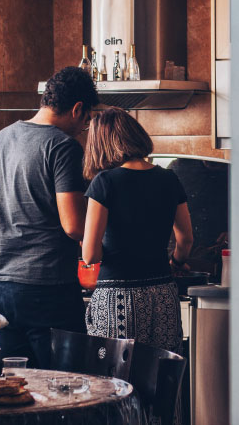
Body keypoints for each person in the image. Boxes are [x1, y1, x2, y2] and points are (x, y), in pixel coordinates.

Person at [0, 66, 99, 368]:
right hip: (45, 287)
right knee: (68, 389)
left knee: (19, 388)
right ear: (77, 109)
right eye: (86, 121)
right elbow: (74, 226)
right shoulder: (63, 147)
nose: (82, 129)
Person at [81, 107, 194, 354]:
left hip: (117, 298)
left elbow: (90, 255)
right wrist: (175, 262)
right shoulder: (169, 178)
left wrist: (90, 245)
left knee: (116, 382)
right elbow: (185, 239)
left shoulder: (105, 182)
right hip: (163, 293)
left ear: (101, 144)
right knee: (161, 377)